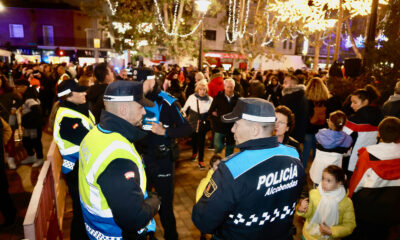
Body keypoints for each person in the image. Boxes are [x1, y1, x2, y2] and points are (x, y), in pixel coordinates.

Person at [192, 98, 306, 240]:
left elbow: (204, 221)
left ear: (254, 130)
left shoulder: (231, 170)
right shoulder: (294, 156)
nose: (232, 129)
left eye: (237, 124)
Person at [78, 80, 160, 240]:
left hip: (96, 229)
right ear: (123, 109)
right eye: (140, 106)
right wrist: (155, 203)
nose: (144, 112)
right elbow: (133, 219)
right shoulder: (118, 157)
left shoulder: (95, 134)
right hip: (116, 234)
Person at [141, 75, 192, 240]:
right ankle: (148, 235)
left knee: (165, 207)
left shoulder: (168, 101)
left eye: (141, 83)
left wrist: (165, 132)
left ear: (151, 82)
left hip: (163, 160)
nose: (138, 86)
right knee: (141, 204)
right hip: (141, 159)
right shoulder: (135, 99)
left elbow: (188, 128)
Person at [53, 79, 95, 239]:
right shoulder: (67, 118)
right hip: (76, 171)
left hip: (83, 168)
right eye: (80, 91)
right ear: (69, 96)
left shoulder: (78, 109)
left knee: (84, 211)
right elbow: (89, 140)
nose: (85, 93)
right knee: (81, 214)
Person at [348, 116, 400, 240]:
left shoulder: (368, 155)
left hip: (366, 206)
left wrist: (349, 197)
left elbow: (357, 181)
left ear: (378, 133)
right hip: (391, 207)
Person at [297, 165, 356, 240]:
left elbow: (349, 225)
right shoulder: (314, 193)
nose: (324, 183)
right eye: (323, 179)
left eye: (328, 181)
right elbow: (309, 215)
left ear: (339, 183)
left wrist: (332, 231)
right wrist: (302, 210)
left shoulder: (346, 203)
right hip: (309, 236)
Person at [343, 85, 383, 175]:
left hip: (351, 164)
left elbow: (343, 142)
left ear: (365, 102)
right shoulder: (380, 118)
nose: (351, 105)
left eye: (355, 102)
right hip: (370, 162)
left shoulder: (354, 121)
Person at [309, 111, 352, 186]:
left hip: (318, 171)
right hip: (333, 174)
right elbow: (347, 154)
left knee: (316, 193)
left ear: (330, 123)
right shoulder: (348, 139)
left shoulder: (321, 134)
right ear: (344, 124)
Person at [182, 80, 213, 169]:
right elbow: (184, 109)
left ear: (206, 90)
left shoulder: (210, 100)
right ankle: (194, 153)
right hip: (193, 121)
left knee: (202, 141)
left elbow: (213, 111)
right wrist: (182, 118)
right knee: (194, 138)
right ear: (197, 89)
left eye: (204, 89)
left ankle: (201, 160)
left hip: (203, 123)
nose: (202, 91)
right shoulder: (192, 97)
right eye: (200, 89)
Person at [302, 77, 331, 168]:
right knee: (317, 150)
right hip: (321, 127)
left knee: (306, 150)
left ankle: (302, 170)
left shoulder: (307, 99)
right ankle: (315, 171)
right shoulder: (325, 99)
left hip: (309, 128)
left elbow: (305, 114)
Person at [208, 79, 239, 157]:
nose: (229, 89)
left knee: (230, 148)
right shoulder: (218, 97)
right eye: (227, 87)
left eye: (231, 87)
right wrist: (217, 119)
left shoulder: (238, 97)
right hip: (220, 126)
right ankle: (215, 163)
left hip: (232, 127)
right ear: (224, 87)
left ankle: (227, 164)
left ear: (234, 87)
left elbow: (241, 111)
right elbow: (210, 111)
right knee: (218, 146)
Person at [195, 154, 223, 240]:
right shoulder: (206, 182)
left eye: (220, 165)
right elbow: (199, 199)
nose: (219, 167)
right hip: (209, 214)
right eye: (216, 165)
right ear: (211, 166)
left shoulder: (221, 178)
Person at [19, 86, 44, 168]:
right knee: (27, 141)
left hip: (33, 126)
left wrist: (27, 119)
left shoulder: (30, 101)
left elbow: (36, 111)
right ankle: (32, 156)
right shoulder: (36, 100)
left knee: (35, 142)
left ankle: (39, 158)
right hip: (31, 126)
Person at [281, 74, 308, 143]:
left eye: (285, 83)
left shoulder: (290, 98)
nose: (283, 85)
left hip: (291, 133)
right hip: (300, 132)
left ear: (293, 85)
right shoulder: (302, 95)